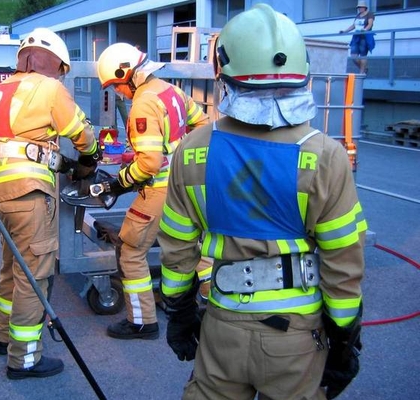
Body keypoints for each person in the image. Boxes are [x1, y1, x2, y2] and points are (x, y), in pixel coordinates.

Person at [158, 4, 366, 400]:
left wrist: (180, 312)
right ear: (302, 73)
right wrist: (343, 338)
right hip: (296, 338)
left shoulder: (193, 150)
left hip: (222, 328)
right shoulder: (323, 154)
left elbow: (177, 246)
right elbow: (344, 257)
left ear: (223, 71)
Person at [0, 27, 99, 380]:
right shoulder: (49, 88)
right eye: (61, 69)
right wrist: (90, 158)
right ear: (54, 63)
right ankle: (25, 358)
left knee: (11, 266)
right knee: (34, 274)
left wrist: (61, 163)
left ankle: (6, 338)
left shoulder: (0, 89)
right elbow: (80, 131)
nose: (61, 76)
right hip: (28, 189)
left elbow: (23, 143)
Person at [95, 43, 209, 340]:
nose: (118, 93)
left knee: (131, 251)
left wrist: (119, 183)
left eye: (116, 86)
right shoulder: (171, 91)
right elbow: (203, 125)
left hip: (159, 191)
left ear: (127, 74)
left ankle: (142, 322)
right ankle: (215, 311)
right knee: (197, 252)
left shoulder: (143, 103)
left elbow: (149, 163)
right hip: (190, 186)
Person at [340, 0, 375, 74]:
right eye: (359, 7)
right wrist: (345, 31)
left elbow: (370, 24)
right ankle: (364, 69)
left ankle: (361, 73)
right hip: (356, 37)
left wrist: (365, 30)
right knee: (353, 55)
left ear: (365, 7)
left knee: (363, 54)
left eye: (361, 7)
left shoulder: (369, 14)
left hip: (364, 37)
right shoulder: (358, 15)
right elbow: (353, 25)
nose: (360, 9)